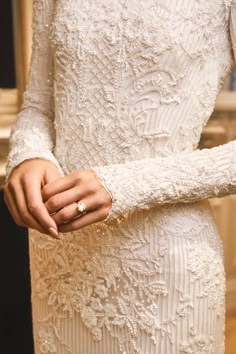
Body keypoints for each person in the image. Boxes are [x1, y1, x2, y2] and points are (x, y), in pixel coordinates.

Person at [4, 0, 236, 353]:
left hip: (163, 264)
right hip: (61, 259)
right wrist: (28, 155)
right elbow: (38, 106)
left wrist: (122, 186)